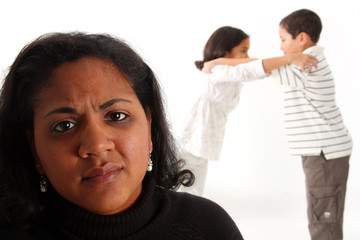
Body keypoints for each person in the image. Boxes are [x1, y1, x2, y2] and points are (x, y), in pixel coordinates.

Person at [0, 32, 244, 240]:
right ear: (34, 149)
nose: (96, 144)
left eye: (116, 116)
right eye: (64, 125)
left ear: (149, 127)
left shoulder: (208, 228)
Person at [203, 9, 352, 240]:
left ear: (301, 38)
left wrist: (220, 61)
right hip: (325, 152)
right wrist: (223, 60)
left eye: (283, 39)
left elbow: (254, 69)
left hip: (324, 152)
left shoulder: (306, 65)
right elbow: (262, 65)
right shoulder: (307, 61)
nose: (281, 47)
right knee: (323, 212)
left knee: (323, 217)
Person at [179, 26, 317, 195]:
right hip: (190, 143)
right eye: (243, 51)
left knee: (193, 193)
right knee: (187, 192)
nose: (247, 57)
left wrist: (223, 60)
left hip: (200, 145)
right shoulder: (216, 70)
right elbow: (252, 69)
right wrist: (290, 58)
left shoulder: (222, 67)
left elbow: (260, 69)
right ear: (225, 50)